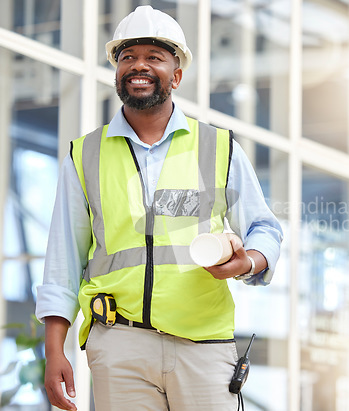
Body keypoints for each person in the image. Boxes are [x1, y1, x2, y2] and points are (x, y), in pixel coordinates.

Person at [35, 5, 282, 411]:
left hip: (203, 344)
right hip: (120, 344)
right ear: (116, 72)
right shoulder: (85, 155)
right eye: (128, 57)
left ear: (176, 74)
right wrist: (54, 350)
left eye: (154, 57)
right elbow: (63, 258)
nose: (139, 66)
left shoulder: (219, 149)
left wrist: (246, 262)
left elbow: (265, 229)